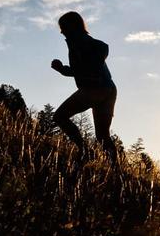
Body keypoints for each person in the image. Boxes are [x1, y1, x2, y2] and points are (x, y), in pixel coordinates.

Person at [50, 11, 118, 160]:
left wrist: (92, 68)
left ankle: (84, 151)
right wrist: (62, 69)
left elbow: (103, 47)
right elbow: (80, 70)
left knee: (60, 116)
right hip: (109, 89)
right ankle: (116, 171)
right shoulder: (79, 41)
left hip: (94, 90)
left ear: (71, 26)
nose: (62, 32)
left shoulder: (79, 40)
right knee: (102, 136)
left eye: (63, 27)